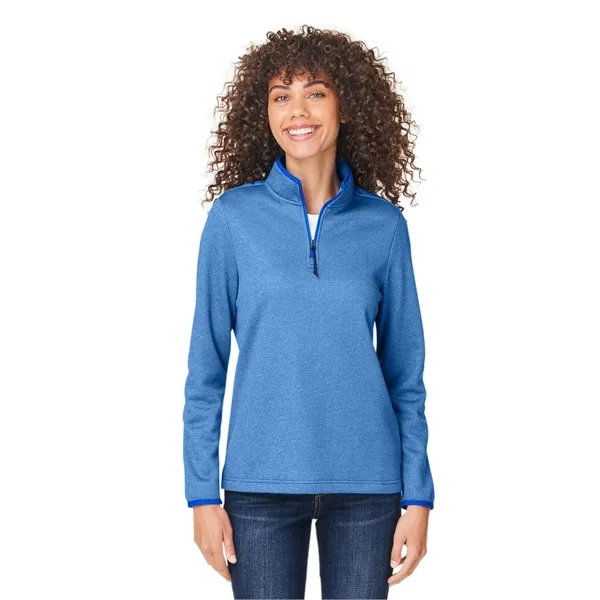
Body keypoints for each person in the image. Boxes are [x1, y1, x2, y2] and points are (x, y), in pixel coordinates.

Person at [183, 24, 435, 599]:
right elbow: (205, 370)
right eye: (281, 96)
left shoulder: (383, 227)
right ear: (265, 114)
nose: (298, 110)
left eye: (315, 92)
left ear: (347, 106)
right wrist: (201, 494)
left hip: (368, 486)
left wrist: (419, 496)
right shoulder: (233, 220)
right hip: (259, 487)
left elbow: (406, 374)